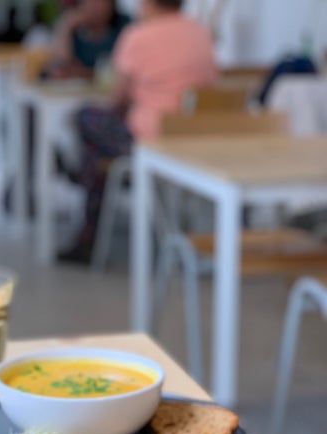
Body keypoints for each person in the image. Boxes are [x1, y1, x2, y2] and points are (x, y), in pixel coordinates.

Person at [59, 0, 217, 263]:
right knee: (96, 151)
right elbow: (211, 84)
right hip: (192, 139)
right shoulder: (200, 32)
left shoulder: (138, 35)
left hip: (149, 143)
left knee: (85, 118)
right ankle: (86, 178)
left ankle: (86, 215)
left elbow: (117, 99)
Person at [46, 0, 130, 79]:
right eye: (90, 2)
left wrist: (81, 73)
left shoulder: (125, 27)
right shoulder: (77, 30)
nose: (96, 8)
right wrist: (66, 28)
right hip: (79, 92)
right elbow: (62, 64)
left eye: (101, 2)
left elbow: (123, 72)